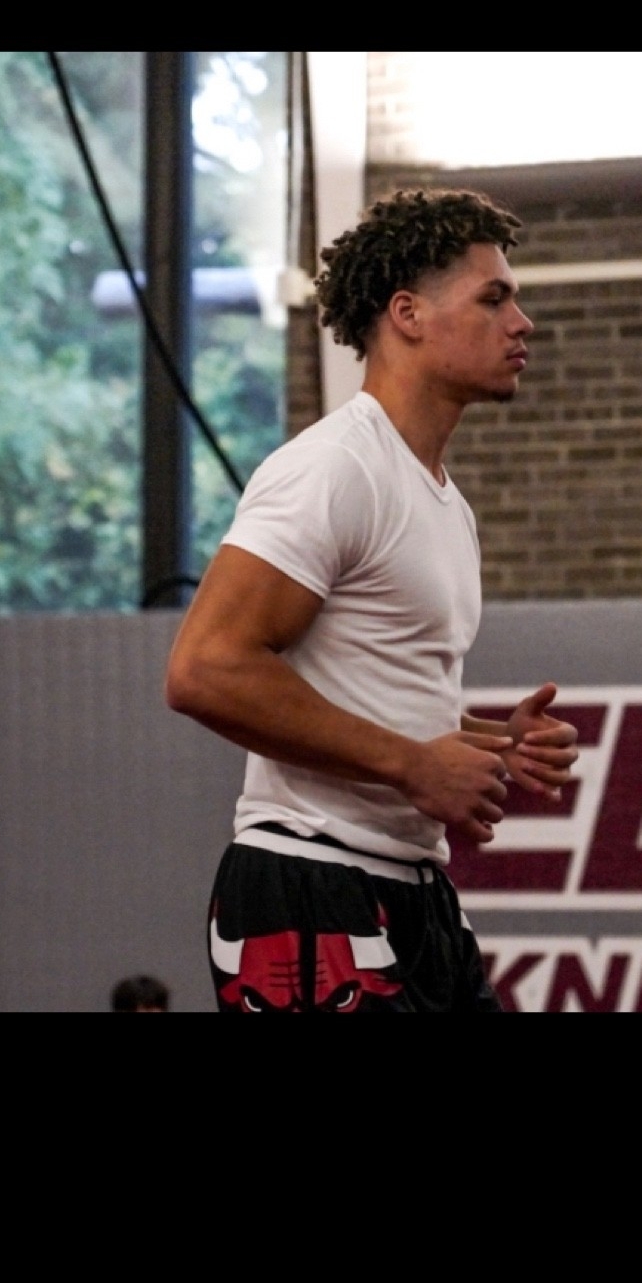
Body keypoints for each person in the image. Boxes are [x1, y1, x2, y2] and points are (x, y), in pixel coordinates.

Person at [166, 188, 579, 1013]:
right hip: (311, 884)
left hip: (412, 892)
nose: (521, 322)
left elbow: (364, 689)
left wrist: (490, 742)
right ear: (407, 314)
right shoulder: (333, 468)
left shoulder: (443, 500)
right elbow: (204, 670)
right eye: (493, 298)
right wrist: (413, 764)